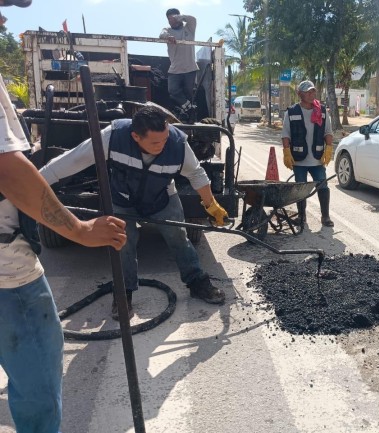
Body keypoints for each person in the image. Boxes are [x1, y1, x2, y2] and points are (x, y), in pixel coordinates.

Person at [0, 3, 128, 433]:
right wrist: (80, 229)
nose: (3, 19)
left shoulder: (178, 145)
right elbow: (8, 169)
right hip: (7, 274)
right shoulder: (114, 135)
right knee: (37, 382)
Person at [40, 105, 229, 320]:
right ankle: (123, 293)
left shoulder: (177, 143)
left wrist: (211, 205)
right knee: (123, 242)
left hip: (162, 198)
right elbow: (71, 161)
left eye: (165, 139)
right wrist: (34, 183)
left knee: (178, 236)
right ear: (135, 136)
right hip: (123, 199)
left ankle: (197, 282)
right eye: (155, 142)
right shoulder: (113, 137)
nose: (163, 145)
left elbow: (196, 174)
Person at [281, 80, 334, 227]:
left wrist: (329, 148)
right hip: (299, 159)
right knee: (300, 189)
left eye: (313, 92)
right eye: (308, 92)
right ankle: (301, 216)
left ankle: (325, 217)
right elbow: (286, 135)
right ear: (300, 94)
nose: (312, 94)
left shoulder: (321, 111)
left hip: (317, 159)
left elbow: (328, 132)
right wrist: (286, 152)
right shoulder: (291, 112)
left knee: (322, 186)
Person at [160, 8, 200, 123]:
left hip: (190, 68)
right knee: (173, 91)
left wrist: (178, 17)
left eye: (173, 18)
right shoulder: (167, 30)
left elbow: (193, 19)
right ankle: (190, 109)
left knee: (188, 94)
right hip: (175, 69)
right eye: (169, 19)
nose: (171, 21)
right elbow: (161, 34)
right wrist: (168, 37)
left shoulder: (189, 28)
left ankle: (189, 117)